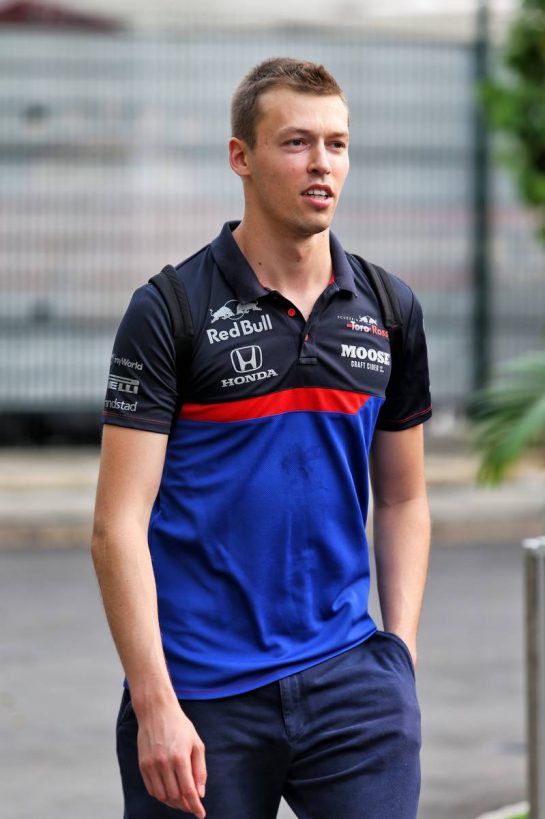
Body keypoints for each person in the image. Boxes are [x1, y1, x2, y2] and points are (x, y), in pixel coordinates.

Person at [92, 57, 432, 819]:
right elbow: (117, 524)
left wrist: (398, 657)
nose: (321, 164)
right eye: (296, 142)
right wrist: (154, 703)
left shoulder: (386, 307)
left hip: (353, 689)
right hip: (199, 700)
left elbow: (402, 497)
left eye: (337, 144)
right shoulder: (170, 309)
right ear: (240, 156)